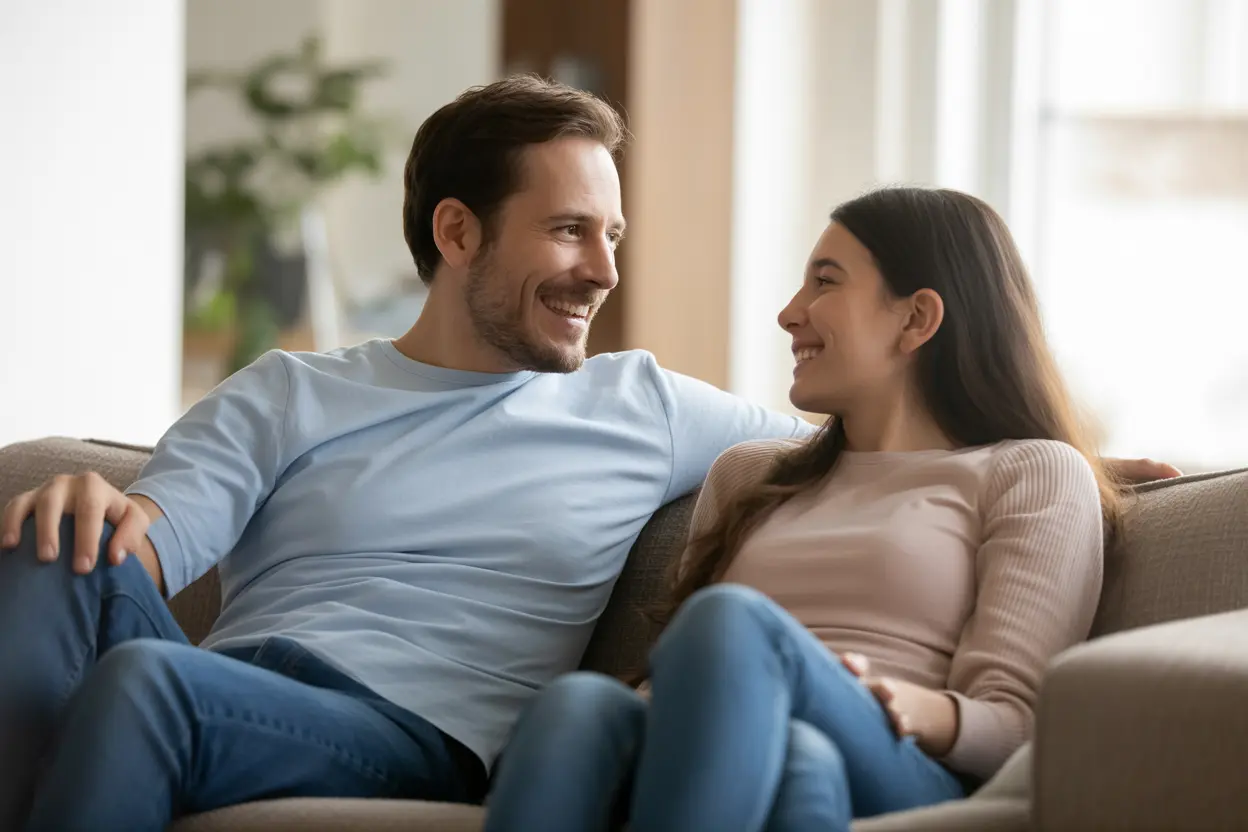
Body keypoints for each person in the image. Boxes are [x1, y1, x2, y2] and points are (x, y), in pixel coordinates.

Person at [0, 76, 1173, 831]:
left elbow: (903, 448)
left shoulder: (650, 406)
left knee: (147, 686)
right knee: (51, 546)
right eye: (569, 230)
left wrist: (1077, 464)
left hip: (424, 733)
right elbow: (152, 540)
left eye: (611, 234)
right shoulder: (289, 392)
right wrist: (101, 504)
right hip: (243, 682)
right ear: (456, 233)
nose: (606, 271)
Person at [482, 186, 1147, 832]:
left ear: (916, 318)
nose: (790, 312)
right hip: (749, 751)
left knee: (732, 621)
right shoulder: (749, 474)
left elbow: (1018, 727)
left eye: (825, 282)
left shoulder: (1030, 472)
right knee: (584, 707)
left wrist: (909, 706)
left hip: (905, 761)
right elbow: (680, 675)